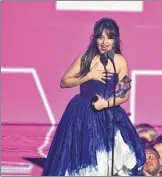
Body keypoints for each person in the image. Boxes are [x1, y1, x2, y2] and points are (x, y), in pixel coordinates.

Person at [42, 17, 145, 176]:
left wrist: (105, 104)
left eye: (109, 37)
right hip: (81, 114)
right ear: (95, 38)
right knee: (83, 159)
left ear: (115, 39)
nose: (104, 42)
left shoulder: (121, 61)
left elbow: (124, 95)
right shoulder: (85, 57)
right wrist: (89, 75)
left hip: (108, 114)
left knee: (115, 160)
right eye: (100, 37)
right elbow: (64, 82)